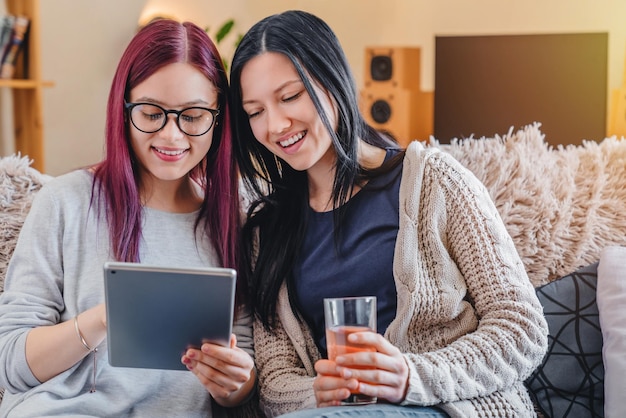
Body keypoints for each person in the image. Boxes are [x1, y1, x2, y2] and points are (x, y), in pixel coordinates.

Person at [228, 10, 548, 418]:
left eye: (290, 96)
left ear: (333, 80)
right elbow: (275, 382)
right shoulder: (267, 230)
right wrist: (318, 394)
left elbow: (522, 329)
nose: (275, 124)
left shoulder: (434, 181)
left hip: (451, 407)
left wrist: (411, 377)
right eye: (255, 111)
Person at [0, 19, 256, 417]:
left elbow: (240, 374)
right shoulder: (65, 202)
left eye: (192, 116)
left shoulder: (233, 220)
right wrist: (105, 318)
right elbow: (10, 364)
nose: (172, 136)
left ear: (218, 118)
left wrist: (238, 384)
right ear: (124, 108)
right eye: (152, 113)